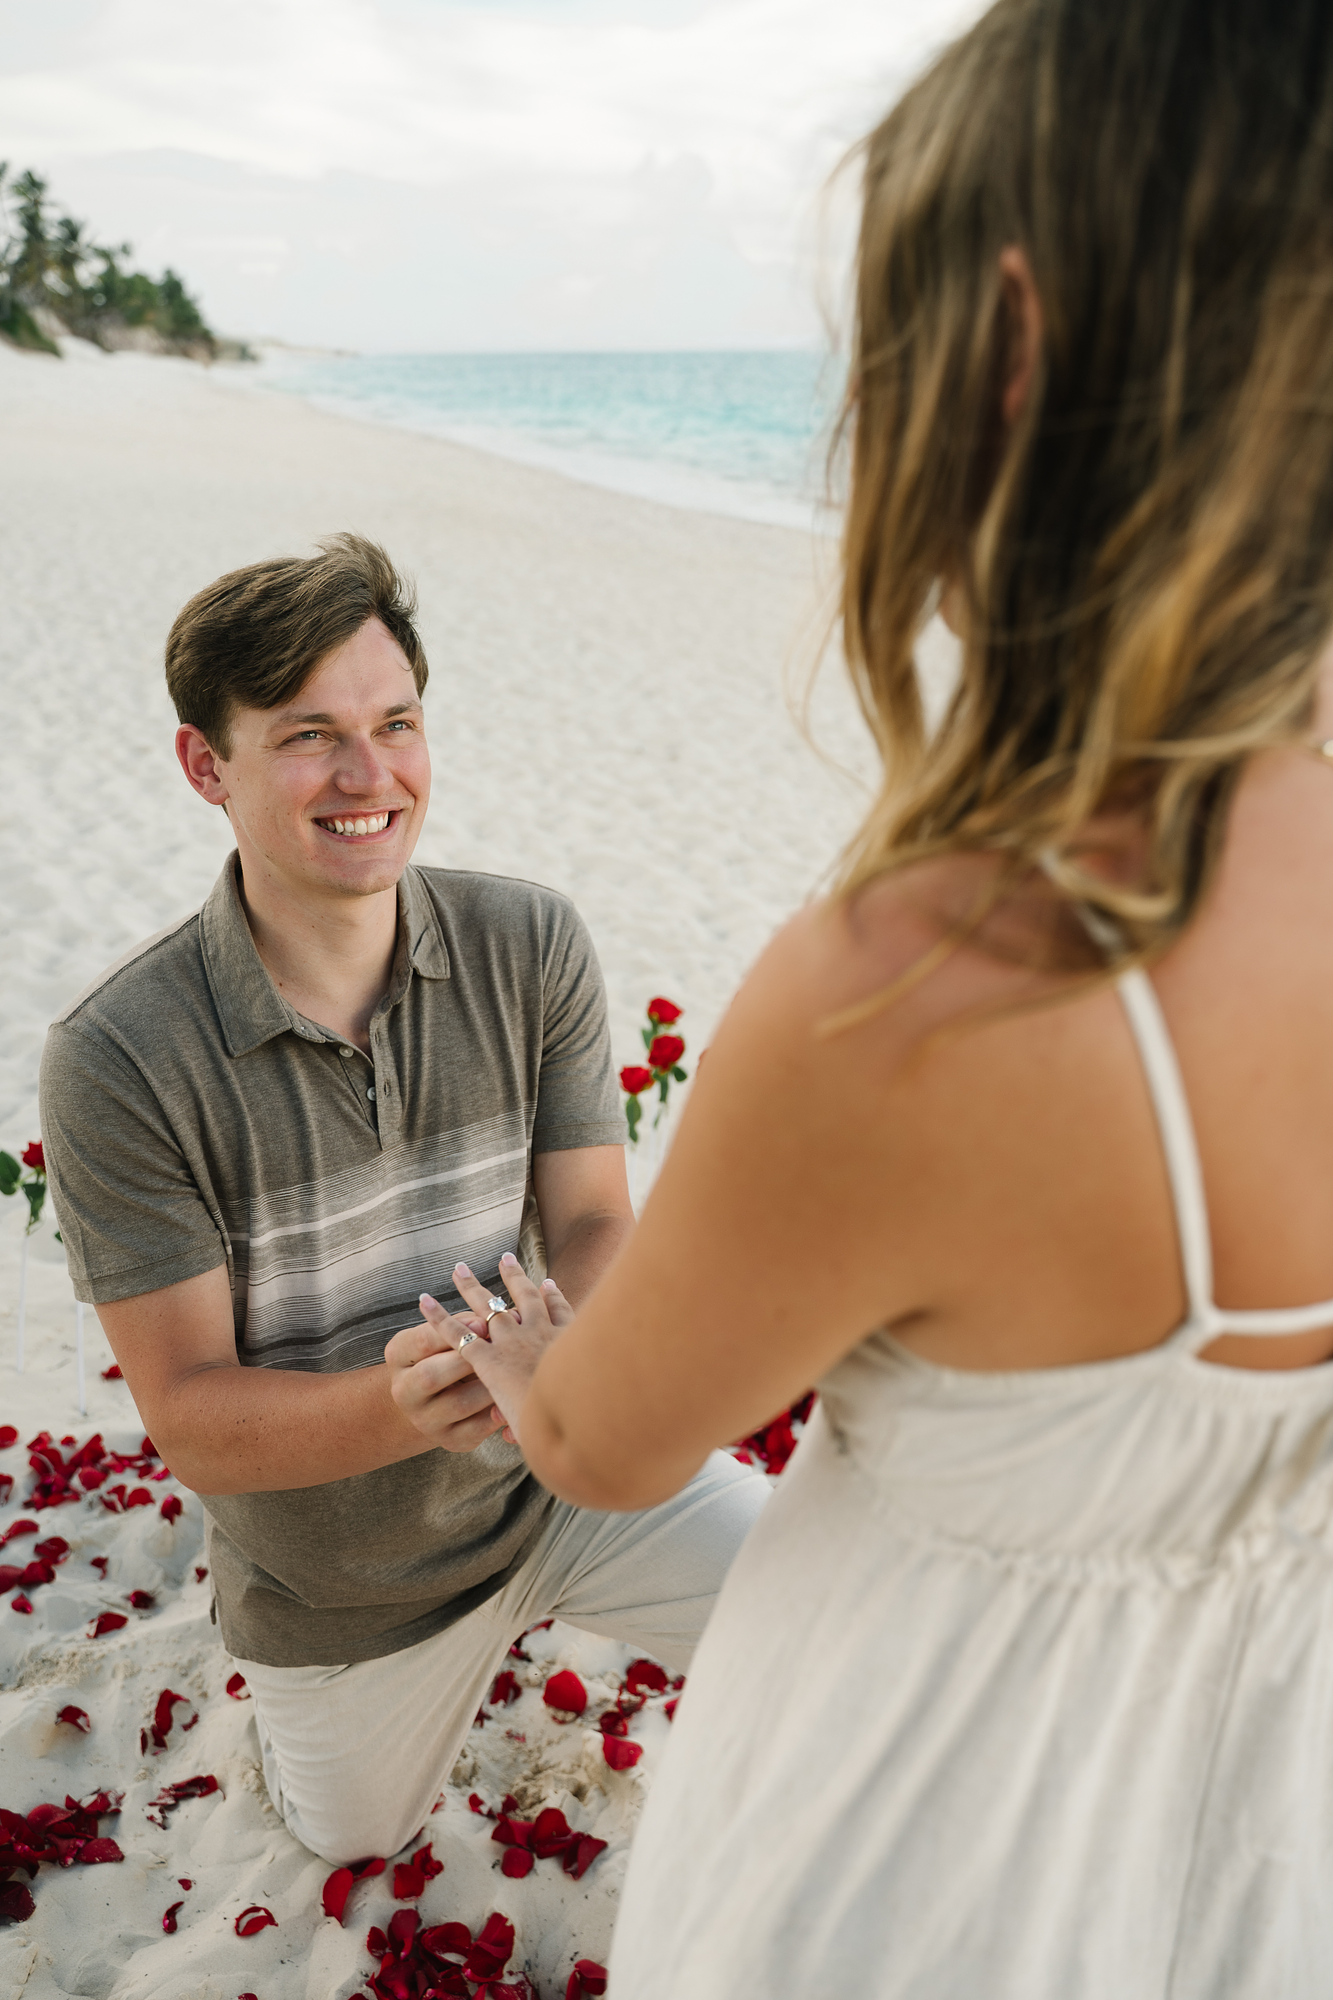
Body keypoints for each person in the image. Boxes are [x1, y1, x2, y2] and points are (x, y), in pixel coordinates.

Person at [384, 1, 1333, 1990]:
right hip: (1257, 1848)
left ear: (1004, 344)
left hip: (922, 1846)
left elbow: (614, 1443)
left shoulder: (933, 993)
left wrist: (544, 1349)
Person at [38, 534, 766, 1865]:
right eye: (312, 736)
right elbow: (193, 1415)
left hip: (568, 1476)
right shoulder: (120, 1058)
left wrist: (570, 1357)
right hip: (347, 1591)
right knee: (356, 1840)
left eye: (396, 723)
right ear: (209, 766)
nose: (371, 777)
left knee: (834, 1608)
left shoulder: (529, 941)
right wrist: (402, 1402)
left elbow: (595, 1223)